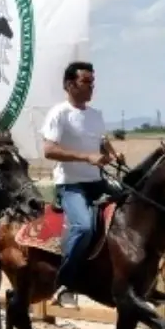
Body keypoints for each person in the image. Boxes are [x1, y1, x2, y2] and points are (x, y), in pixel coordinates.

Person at [41, 61, 124, 307]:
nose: (91, 87)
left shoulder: (95, 115)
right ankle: (64, 284)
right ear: (69, 85)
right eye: (85, 82)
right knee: (84, 227)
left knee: (135, 204)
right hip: (71, 185)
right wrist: (86, 157)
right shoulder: (59, 113)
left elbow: (99, 140)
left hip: (96, 181)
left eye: (92, 82)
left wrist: (113, 152)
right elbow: (49, 150)